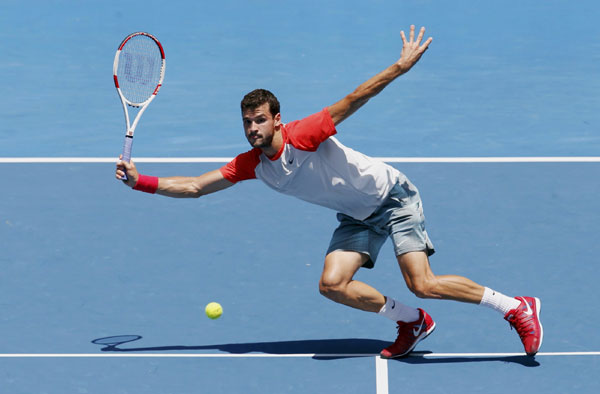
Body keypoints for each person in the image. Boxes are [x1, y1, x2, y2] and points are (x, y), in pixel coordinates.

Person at [115, 25, 543, 358]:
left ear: (278, 120)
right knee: (332, 284)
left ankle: (515, 306)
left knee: (422, 282)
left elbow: (354, 98)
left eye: (259, 120)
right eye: (246, 122)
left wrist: (399, 67)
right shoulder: (251, 165)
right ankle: (412, 323)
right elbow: (194, 186)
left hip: (393, 198)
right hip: (356, 214)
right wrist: (141, 182)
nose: (252, 129)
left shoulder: (304, 135)